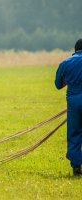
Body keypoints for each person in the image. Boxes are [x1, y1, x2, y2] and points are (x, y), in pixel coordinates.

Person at [55, 38, 82, 176]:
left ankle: (77, 167)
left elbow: (58, 84)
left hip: (73, 103)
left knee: (74, 133)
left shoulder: (65, 63)